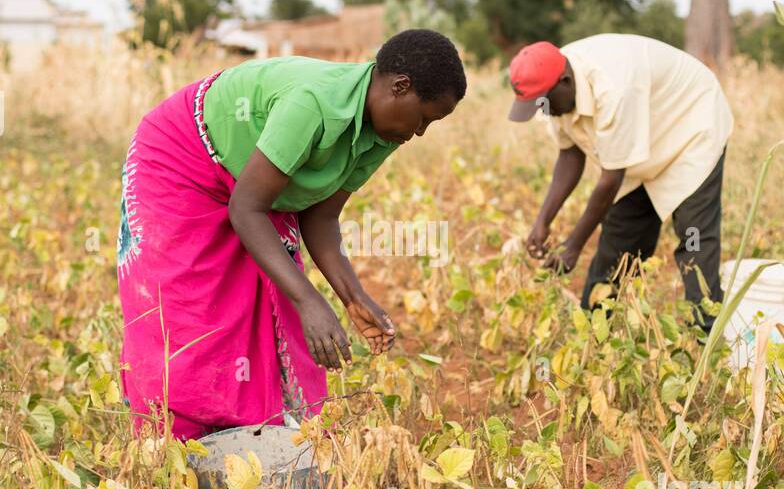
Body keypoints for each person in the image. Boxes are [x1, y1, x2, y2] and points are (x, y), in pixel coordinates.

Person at [117, 29, 466, 439]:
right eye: (425, 117)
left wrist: (353, 298)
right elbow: (246, 208)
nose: (421, 131)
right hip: (183, 158)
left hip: (250, 181)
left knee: (273, 303)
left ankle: (258, 443)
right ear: (399, 87)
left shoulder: (384, 131)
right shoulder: (314, 104)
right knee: (190, 309)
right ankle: (173, 447)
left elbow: (321, 219)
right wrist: (310, 299)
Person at [508, 34, 732, 329]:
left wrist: (573, 246)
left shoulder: (614, 87)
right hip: (642, 139)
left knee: (694, 239)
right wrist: (542, 221)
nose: (543, 111)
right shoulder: (550, 83)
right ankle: (595, 335)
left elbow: (610, 180)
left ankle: (707, 339)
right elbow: (570, 156)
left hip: (690, 127)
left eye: (544, 103)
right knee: (620, 237)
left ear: (565, 82)